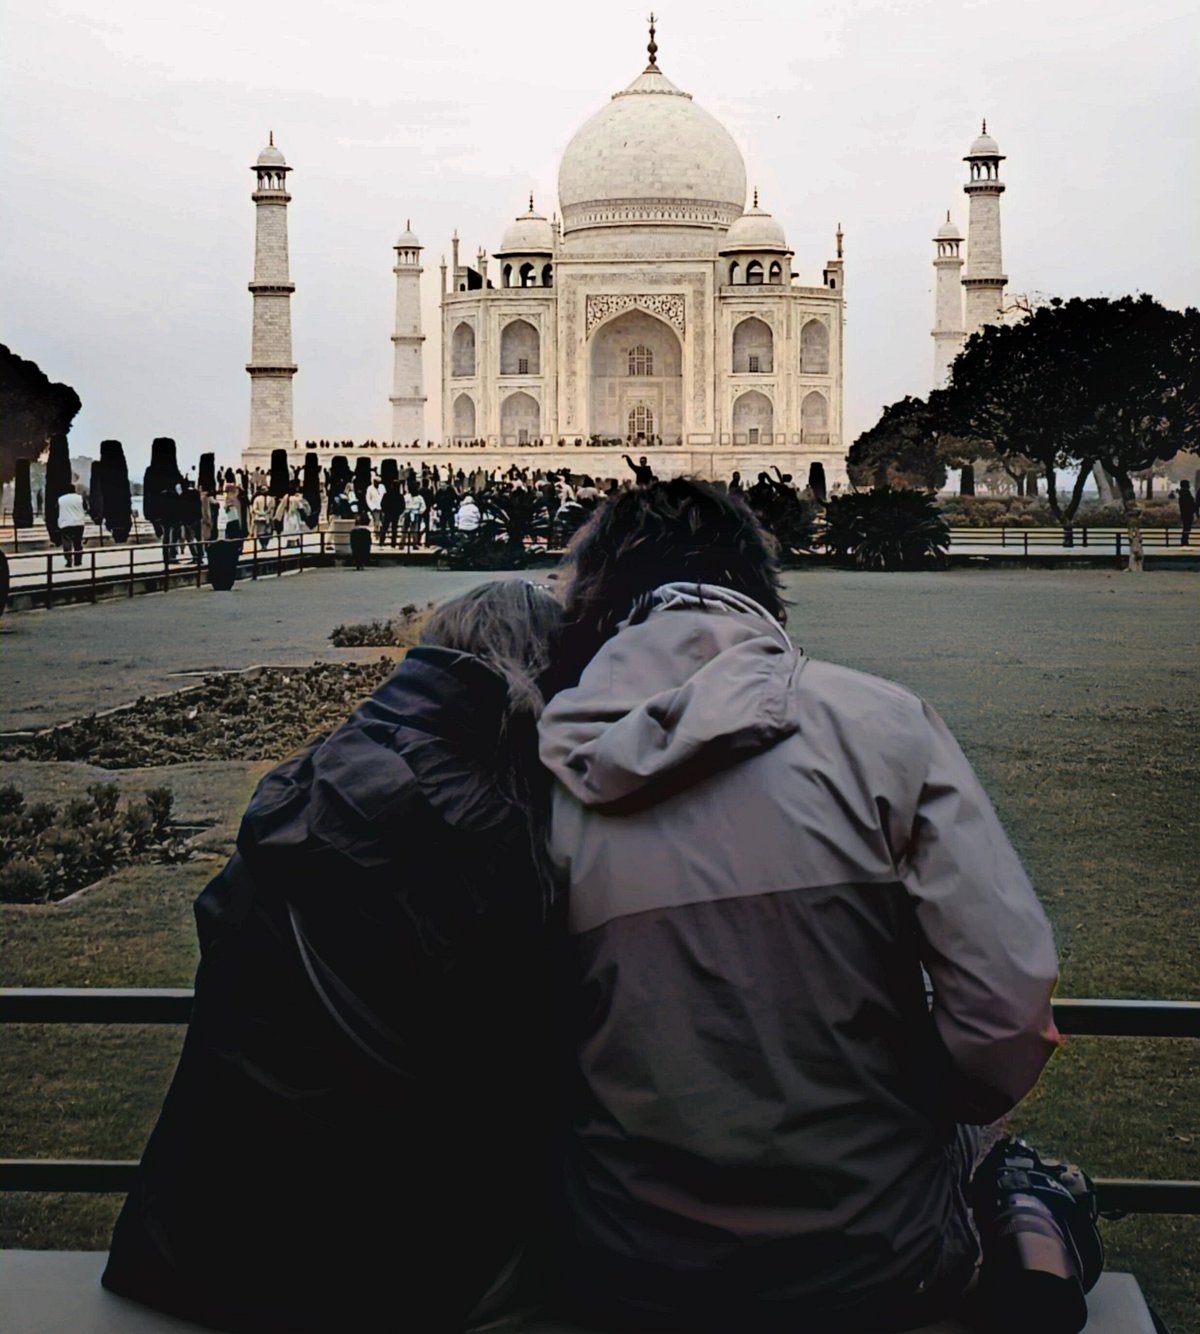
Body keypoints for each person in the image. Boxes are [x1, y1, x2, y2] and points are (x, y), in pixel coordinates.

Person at [537, 479, 1064, 1333]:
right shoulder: (884, 724)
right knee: (1007, 1157)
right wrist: (924, 1099)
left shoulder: (539, 770)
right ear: (762, 586)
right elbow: (1006, 1013)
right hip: (873, 1259)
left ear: (596, 605)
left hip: (631, 1262)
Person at [103, 582, 565, 1333]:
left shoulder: (322, 763)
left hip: (194, 1224)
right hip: (357, 1256)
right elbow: (512, 1051)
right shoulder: (490, 819)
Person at [55, 483, 87, 567]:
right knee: (78, 543)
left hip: (65, 523)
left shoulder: (60, 499)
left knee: (67, 543)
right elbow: (86, 508)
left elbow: (56, 510)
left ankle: (69, 561)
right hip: (78, 523)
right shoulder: (80, 498)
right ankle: (78, 561)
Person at [1178, 479, 1195, 545]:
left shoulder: (1182, 493)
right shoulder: (1186, 493)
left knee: (1186, 527)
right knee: (1187, 527)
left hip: (1185, 513)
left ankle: (1184, 540)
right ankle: (1184, 540)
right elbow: (1189, 503)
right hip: (1188, 513)